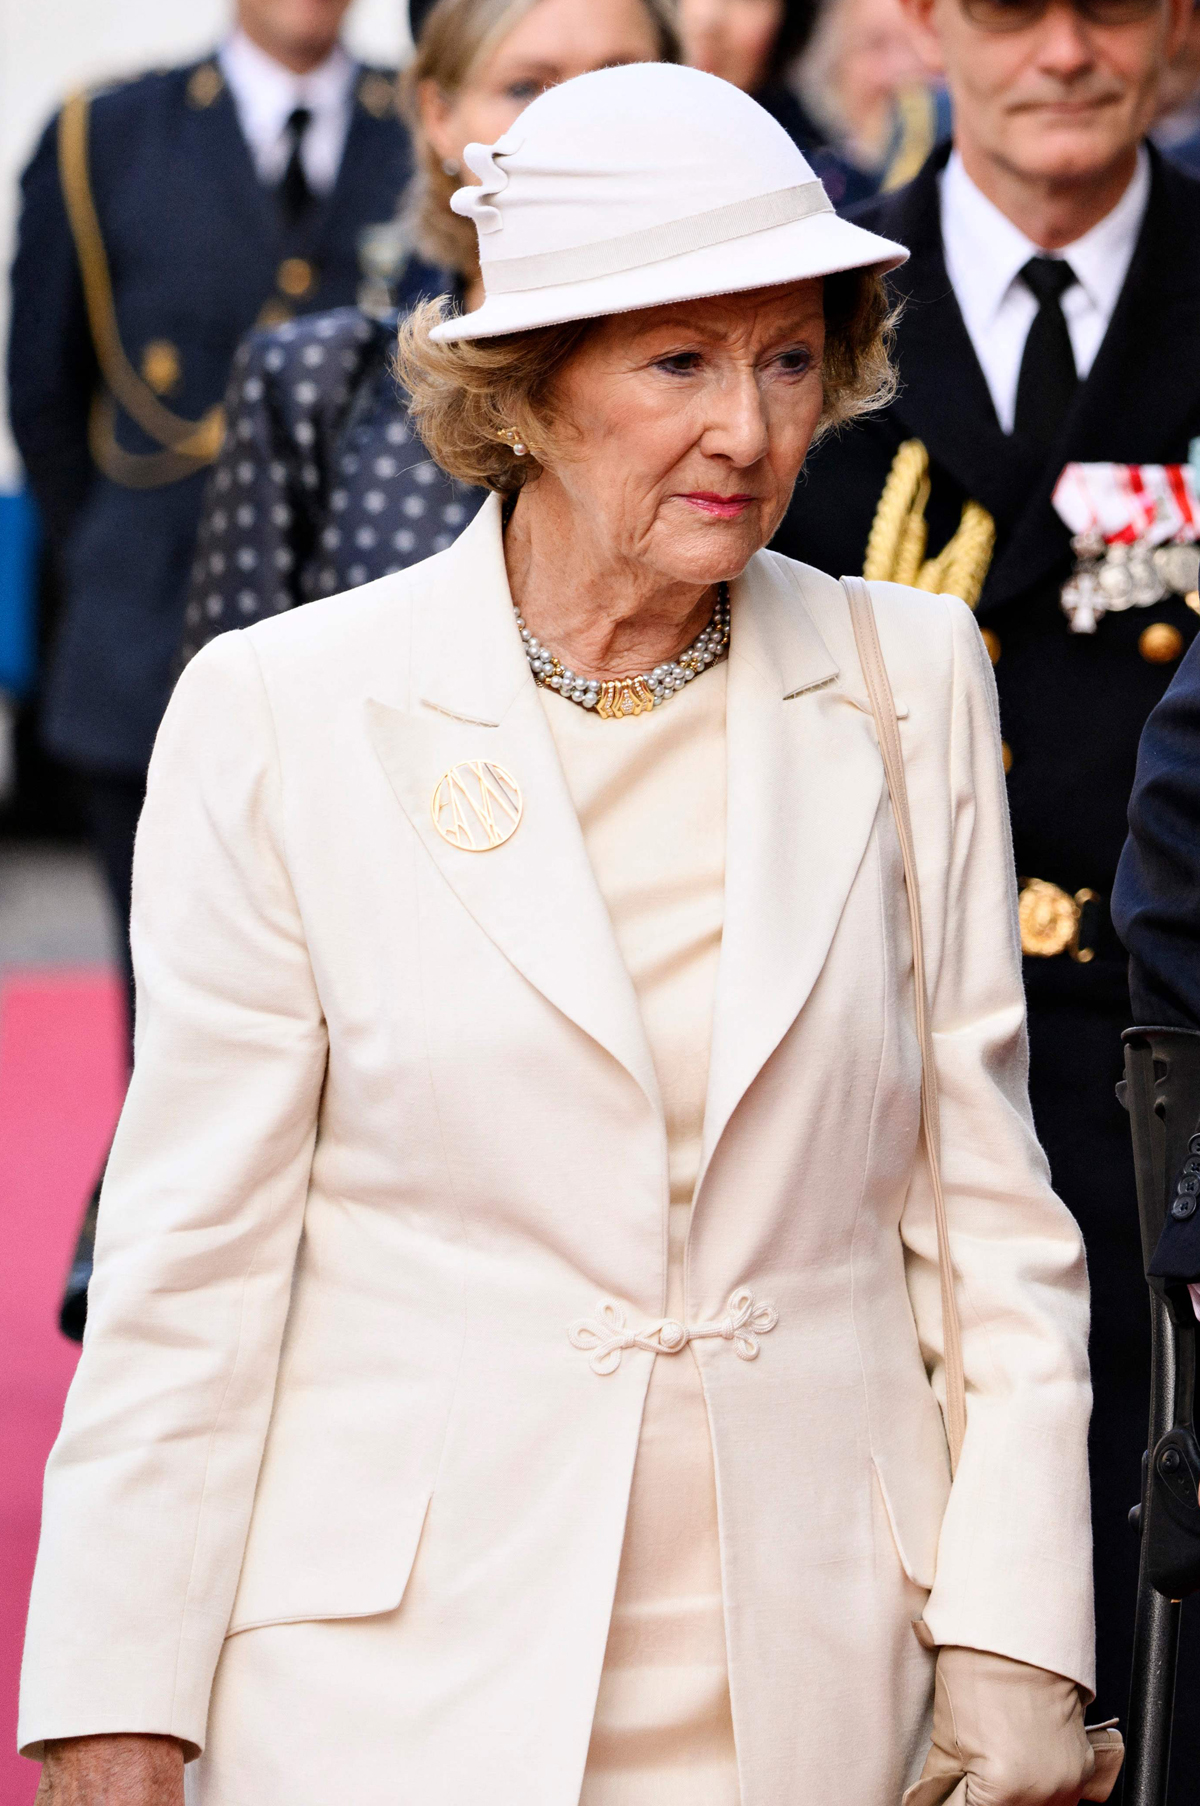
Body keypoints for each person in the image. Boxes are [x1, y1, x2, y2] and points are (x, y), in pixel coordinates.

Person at [20, 62, 1103, 1806]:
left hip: (820, 1675)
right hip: (392, 1689)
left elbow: (988, 1227)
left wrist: (1018, 1633)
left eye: (788, 357)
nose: (747, 433)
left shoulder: (907, 682)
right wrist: (116, 1694)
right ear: (524, 387)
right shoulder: (286, 712)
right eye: (677, 361)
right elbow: (193, 1271)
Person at [771, 0, 1200, 1751]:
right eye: (1013, 3)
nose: (1067, 49)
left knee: (1141, 1597)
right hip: (877, 1058)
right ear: (929, 21)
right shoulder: (815, 313)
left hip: (1157, 1059)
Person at [7, 0, 411, 1047]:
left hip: (374, 649)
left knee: (370, 1012)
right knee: (173, 1027)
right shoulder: (108, 131)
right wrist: (112, 562)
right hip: (147, 646)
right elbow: (45, 394)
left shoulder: (419, 121)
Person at [181, 0, 678, 662]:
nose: (571, 123)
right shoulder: (318, 385)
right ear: (441, 117)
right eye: (525, 87)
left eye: (615, 81)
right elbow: (230, 711)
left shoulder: (748, 379)